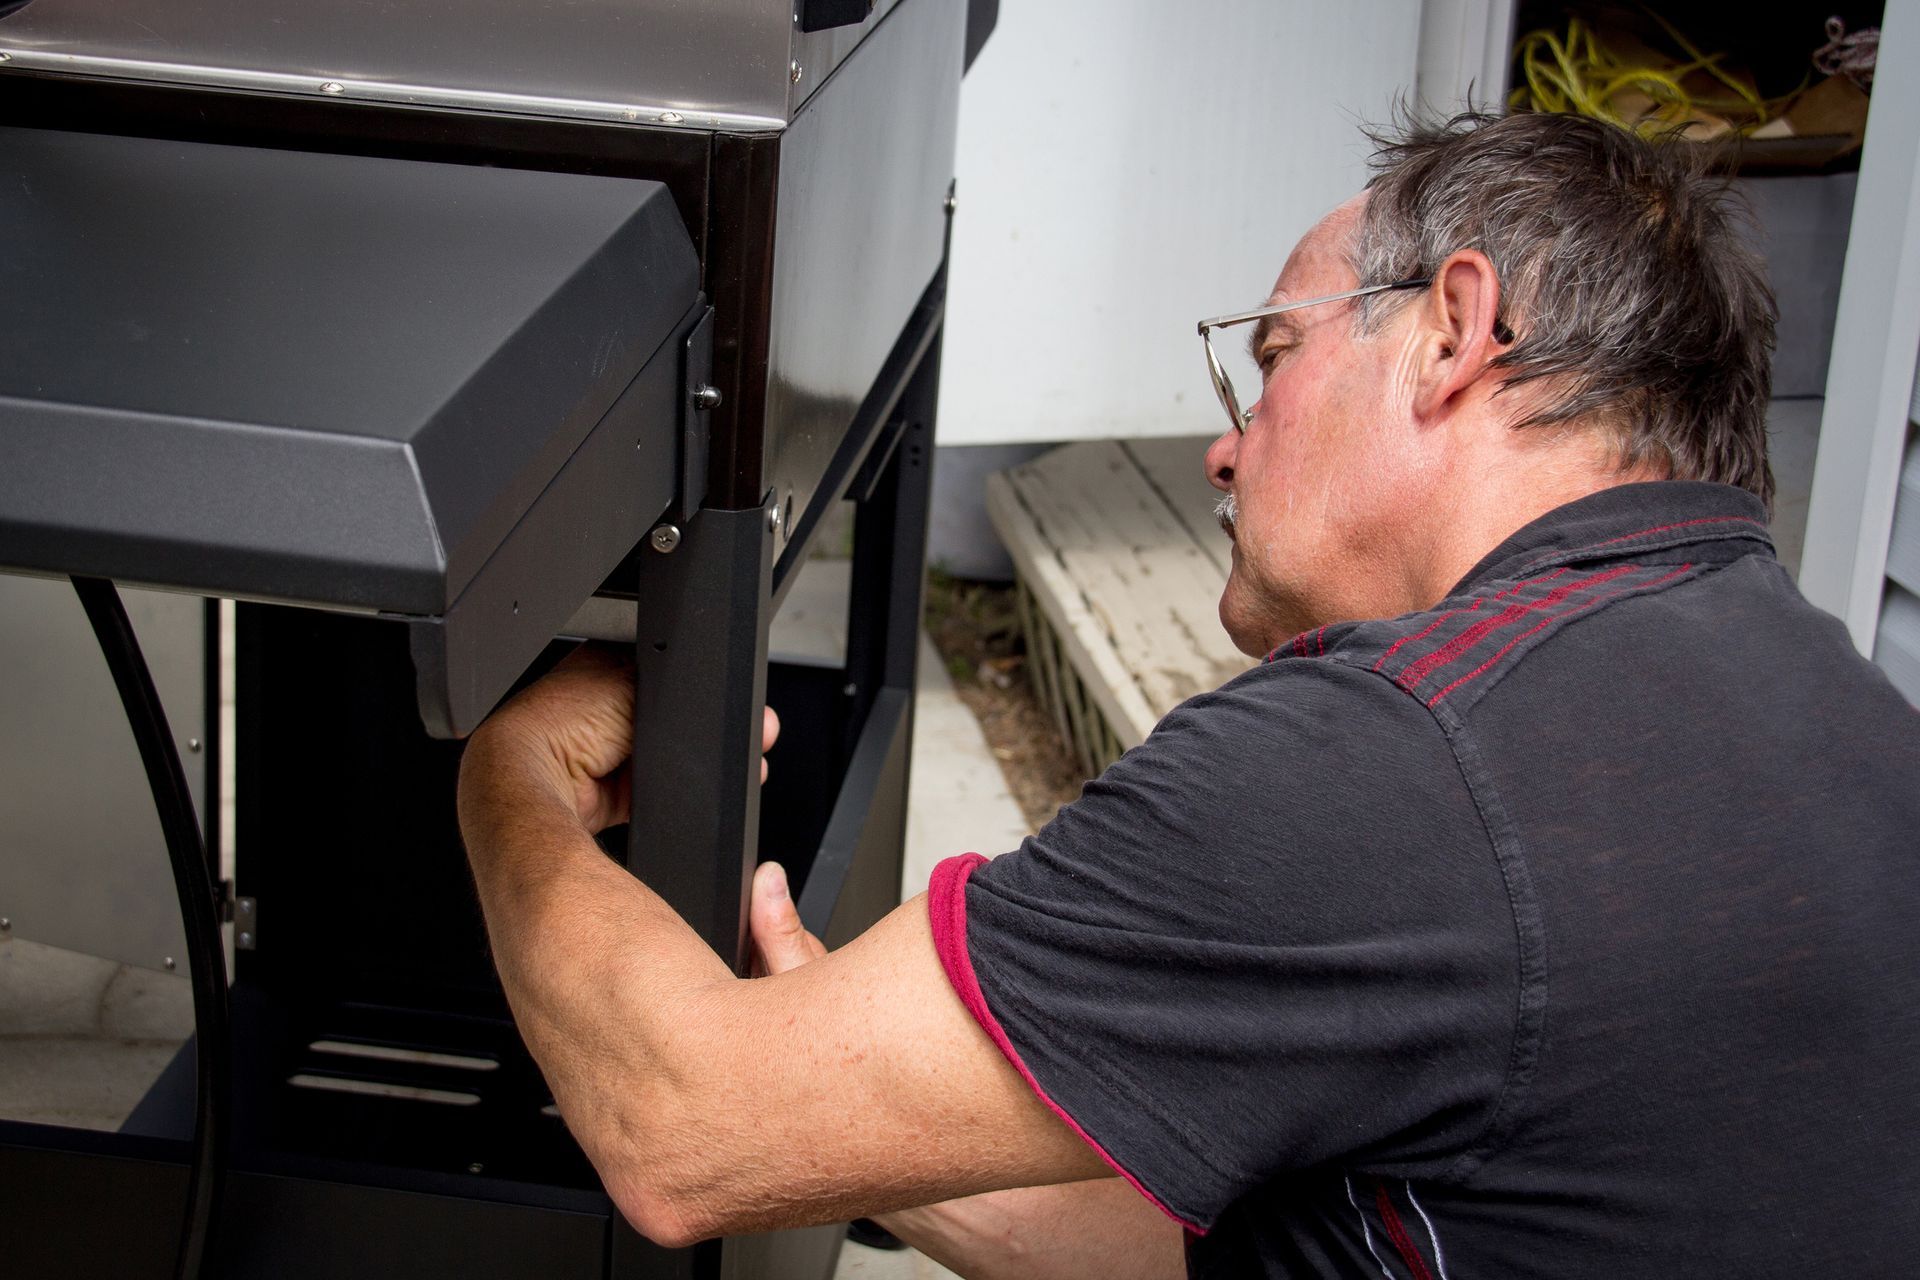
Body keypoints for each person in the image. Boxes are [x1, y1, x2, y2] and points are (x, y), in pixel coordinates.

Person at [456, 111, 1920, 1278]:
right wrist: (882, 1119)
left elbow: (680, 1126)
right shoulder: (1845, 723)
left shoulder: (1395, 760)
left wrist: (504, 776)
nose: (1223, 450)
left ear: (1455, 332)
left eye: (1270, 358)